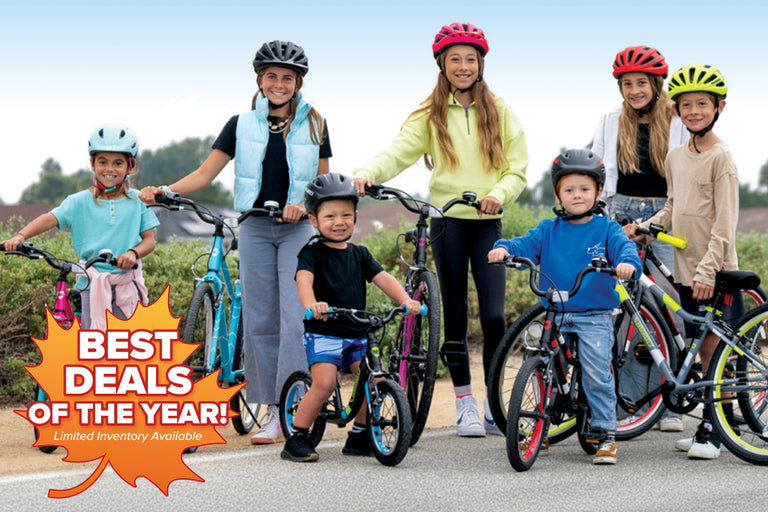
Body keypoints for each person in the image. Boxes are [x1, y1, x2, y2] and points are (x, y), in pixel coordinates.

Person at [139, 40, 331, 445]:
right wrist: (164, 189)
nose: (279, 84)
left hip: (296, 229)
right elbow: (205, 174)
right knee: (260, 322)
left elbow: (324, 186)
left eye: (287, 78)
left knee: (294, 318)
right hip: (256, 228)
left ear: (298, 83)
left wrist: (303, 206)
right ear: (260, 80)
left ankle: (300, 404)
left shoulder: (315, 123)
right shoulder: (240, 124)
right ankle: (272, 411)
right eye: (272, 76)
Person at [353, 22, 528, 437]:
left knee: (492, 317)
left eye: (470, 59)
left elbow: (516, 168)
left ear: (480, 64)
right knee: (452, 314)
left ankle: (494, 406)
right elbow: (399, 151)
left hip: (487, 222)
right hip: (446, 220)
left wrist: (499, 194)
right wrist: (364, 173)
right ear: (442, 65)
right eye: (455, 60)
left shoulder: (500, 111)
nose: (463, 66)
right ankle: (465, 403)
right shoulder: (430, 113)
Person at [489, 149, 641, 464]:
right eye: (569, 190)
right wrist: (504, 249)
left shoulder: (606, 230)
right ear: (558, 193)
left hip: (593, 315)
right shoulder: (548, 230)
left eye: (584, 189)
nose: (577, 196)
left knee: (597, 371)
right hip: (554, 313)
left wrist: (626, 263)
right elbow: (524, 245)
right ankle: (539, 423)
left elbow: (625, 248)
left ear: (598, 193)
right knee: (539, 365)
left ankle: (605, 433)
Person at [625, 64, 743, 460]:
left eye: (702, 105)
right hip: (686, 268)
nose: (693, 111)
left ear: (718, 107)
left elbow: (725, 224)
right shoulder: (676, 155)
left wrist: (710, 270)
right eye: (686, 105)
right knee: (697, 343)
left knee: (712, 352)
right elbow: (673, 207)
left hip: (715, 268)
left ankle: (715, 431)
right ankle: (708, 425)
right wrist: (645, 226)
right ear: (675, 110)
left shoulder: (721, 158)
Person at [281, 173, 421, 462]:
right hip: (324, 331)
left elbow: (384, 279)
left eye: (346, 214)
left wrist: (406, 300)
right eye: (330, 215)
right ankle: (297, 437)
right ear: (313, 220)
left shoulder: (360, 254)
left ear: (356, 217)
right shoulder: (312, 252)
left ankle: (359, 434)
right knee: (324, 384)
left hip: (357, 332)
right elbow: (303, 281)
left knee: (370, 377)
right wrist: (312, 305)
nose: (339, 221)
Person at [591, 45, 689, 432]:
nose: (635, 90)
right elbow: (600, 170)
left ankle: (673, 401)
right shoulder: (610, 121)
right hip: (624, 213)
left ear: (657, 84)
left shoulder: (679, 119)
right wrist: (596, 210)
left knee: (668, 300)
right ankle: (632, 400)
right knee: (626, 304)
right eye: (628, 84)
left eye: (642, 83)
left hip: (668, 211)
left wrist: (665, 217)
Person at [2, 123, 158, 330]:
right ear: (93, 164)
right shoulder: (78, 201)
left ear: (129, 166)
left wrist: (132, 253)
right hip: (89, 284)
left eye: (118, 163)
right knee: (86, 343)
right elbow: (50, 218)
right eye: (103, 161)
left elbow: (149, 241)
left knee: (127, 346)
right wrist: (20, 236)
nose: (109, 169)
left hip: (125, 286)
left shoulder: (138, 200)